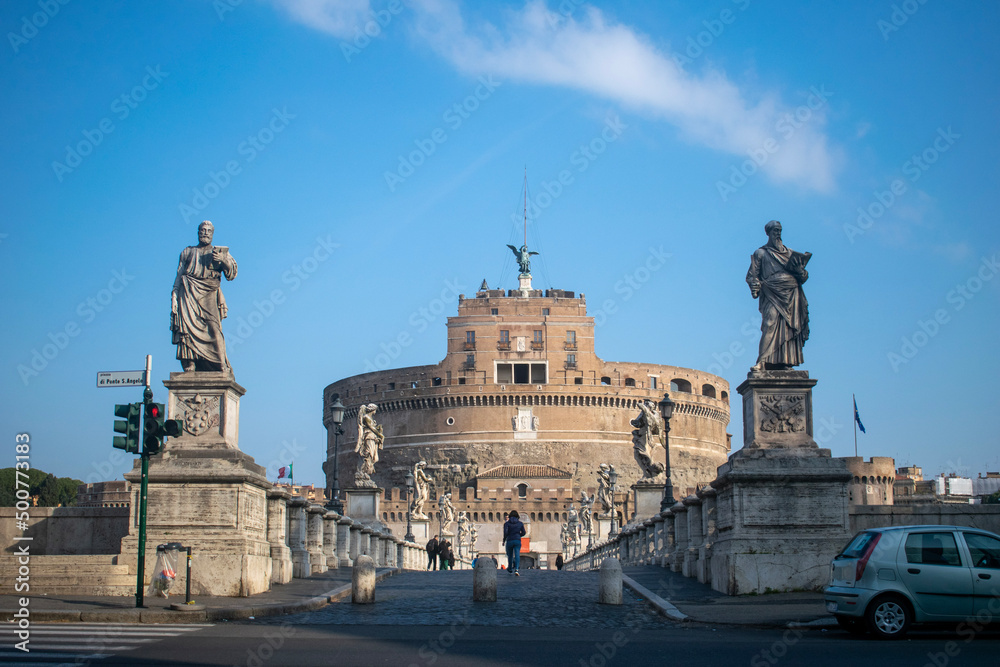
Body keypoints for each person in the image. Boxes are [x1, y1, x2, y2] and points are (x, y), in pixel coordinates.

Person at [171, 220, 238, 372]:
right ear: (198, 232)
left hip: (209, 294)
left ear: (212, 234)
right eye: (202, 230)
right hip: (188, 293)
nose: (205, 233)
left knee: (214, 328)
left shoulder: (219, 252)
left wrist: (223, 261)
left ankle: (221, 363)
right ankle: (190, 362)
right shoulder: (188, 252)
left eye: (208, 231)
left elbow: (231, 274)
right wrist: (174, 295)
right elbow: (178, 275)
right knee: (187, 328)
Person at [746, 220, 810, 371]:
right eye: (775, 230)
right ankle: (762, 361)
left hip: (792, 293)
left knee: (789, 327)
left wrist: (801, 272)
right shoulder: (760, 253)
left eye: (779, 230)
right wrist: (755, 285)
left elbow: (804, 277)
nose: (778, 233)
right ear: (768, 233)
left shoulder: (790, 253)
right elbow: (752, 275)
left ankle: (787, 361)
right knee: (770, 324)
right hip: (771, 292)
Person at [501, 510, 526, 576]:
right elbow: (524, 532)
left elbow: (505, 533)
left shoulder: (507, 524)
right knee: (517, 554)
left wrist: (504, 540)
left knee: (510, 555)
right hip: (517, 540)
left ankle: (510, 568)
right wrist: (519, 535)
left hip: (509, 540)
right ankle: (517, 569)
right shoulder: (520, 523)